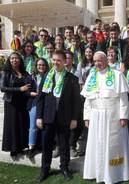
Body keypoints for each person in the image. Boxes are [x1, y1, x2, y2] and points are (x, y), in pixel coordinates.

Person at [81, 51, 129, 184]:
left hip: (112, 116)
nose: (97, 63)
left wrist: (124, 116)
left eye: (100, 60)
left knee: (113, 145)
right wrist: (86, 117)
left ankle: (114, 174)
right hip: (96, 115)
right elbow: (87, 100)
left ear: (106, 60)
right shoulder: (92, 76)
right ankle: (97, 172)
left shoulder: (117, 74)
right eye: (95, 61)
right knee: (97, 144)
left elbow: (123, 98)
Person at [36, 50, 80, 182]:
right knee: (46, 144)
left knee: (64, 144)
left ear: (65, 61)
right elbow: (40, 99)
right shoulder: (46, 77)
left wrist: (74, 118)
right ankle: (45, 169)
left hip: (64, 117)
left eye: (58, 60)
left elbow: (76, 101)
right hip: (48, 116)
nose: (56, 62)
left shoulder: (72, 78)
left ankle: (64, 168)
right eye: (54, 60)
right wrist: (39, 116)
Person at [1, 52, 30, 157]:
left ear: (20, 60)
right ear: (9, 60)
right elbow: (3, 88)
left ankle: (21, 147)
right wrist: (19, 89)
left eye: (16, 58)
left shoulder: (24, 72)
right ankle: (13, 148)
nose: (14, 60)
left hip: (22, 102)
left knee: (21, 123)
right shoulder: (6, 72)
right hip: (11, 103)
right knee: (12, 125)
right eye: (12, 58)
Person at [25, 58, 49, 158]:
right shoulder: (31, 77)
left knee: (45, 124)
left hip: (46, 103)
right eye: (39, 65)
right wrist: (33, 93)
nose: (41, 67)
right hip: (34, 102)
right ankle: (31, 147)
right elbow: (25, 91)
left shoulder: (49, 76)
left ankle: (43, 145)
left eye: (43, 65)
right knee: (33, 126)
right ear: (36, 66)